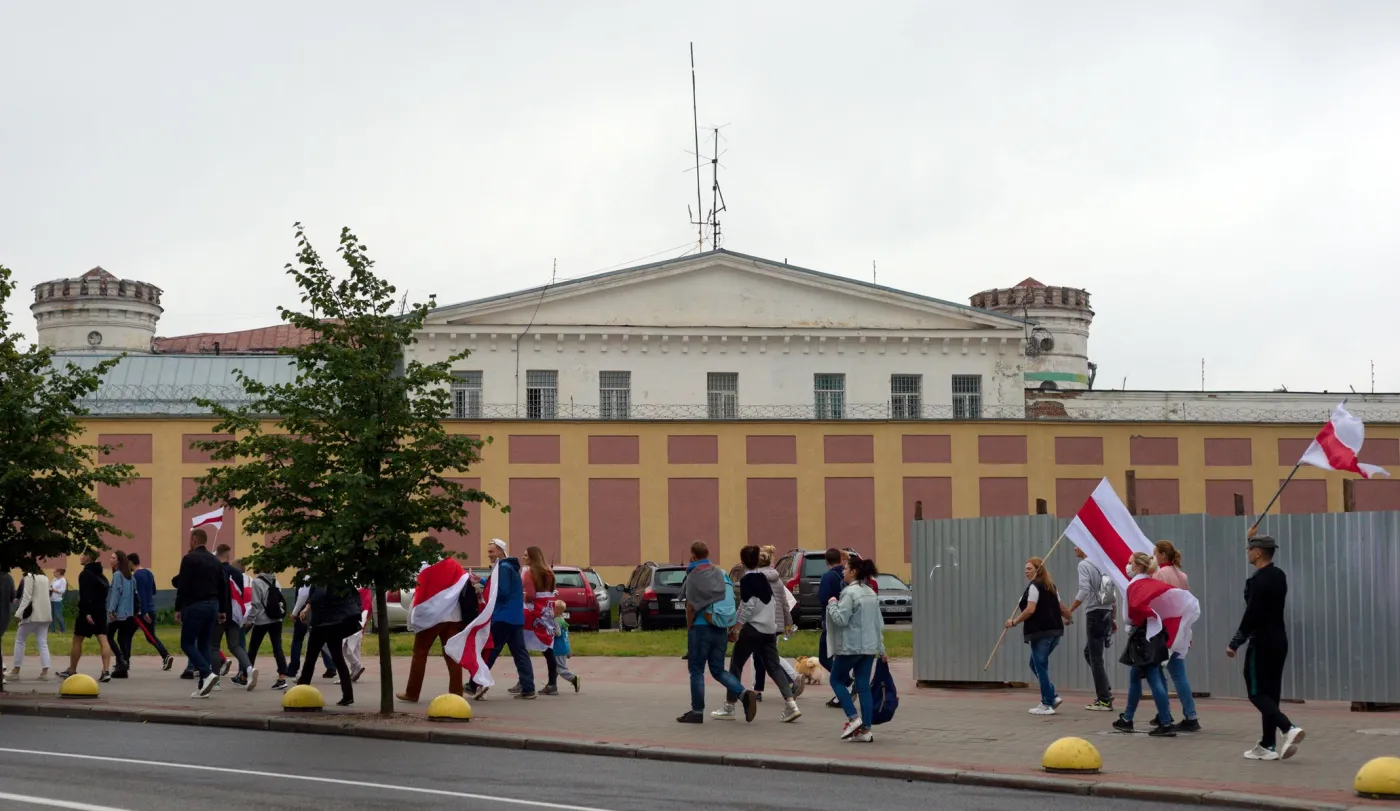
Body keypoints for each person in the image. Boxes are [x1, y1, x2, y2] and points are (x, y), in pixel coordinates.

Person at [1228, 531, 1304, 761]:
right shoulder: (1279, 575)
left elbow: (1252, 613)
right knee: (1270, 694)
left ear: (1258, 552)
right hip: (1279, 641)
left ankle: (1288, 728)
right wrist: (1250, 537)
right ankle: (1267, 745)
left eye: (1250, 549)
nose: (1248, 553)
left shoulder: (1257, 581)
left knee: (1255, 691)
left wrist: (1236, 642)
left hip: (1260, 642)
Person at [716, 545, 801, 723]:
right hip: (770, 629)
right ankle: (791, 705)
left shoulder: (747, 580)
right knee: (774, 667)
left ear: (742, 562)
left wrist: (736, 628)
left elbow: (748, 605)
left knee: (736, 665)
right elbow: (770, 603)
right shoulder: (764, 579)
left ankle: (729, 707)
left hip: (753, 629)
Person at [677, 541, 756, 724]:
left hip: (701, 628)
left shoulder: (694, 576)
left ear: (693, 555)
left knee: (696, 670)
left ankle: (697, 712)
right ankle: (743, 694)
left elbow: (690, 607)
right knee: (718, 670)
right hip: (720, 626)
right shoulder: (720, 573)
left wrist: (690, 628)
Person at [1111, 553, 1177, 737]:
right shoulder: (1156, 584)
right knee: (1136, 677)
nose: (1128, 565)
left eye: (1130, 563)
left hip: (1141, 636)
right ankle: (1127, 718)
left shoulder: (1133, 586)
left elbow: (1128, 616)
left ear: (1138, 567)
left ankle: (1165, 722)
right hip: (1155, 634)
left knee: (1153, 678)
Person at [826, 557, 886, 742]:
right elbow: (878, 624)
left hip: (850, 647)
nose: (843, 571)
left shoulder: (849, 593)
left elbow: (841, 619)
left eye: (845, 568)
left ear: (853, 572)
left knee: (835, 680)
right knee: (863, 687)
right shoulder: (870, 593)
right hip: (869, 648)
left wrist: (832, 604)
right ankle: (866, 730)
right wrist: (881, 649)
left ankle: (853, 718)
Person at [397, 551, 469, 704]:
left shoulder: (426, 567)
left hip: (432, 617)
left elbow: (422, 592)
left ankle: (412, 692)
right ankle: (457, 693)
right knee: (451, 654)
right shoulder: (453, 564)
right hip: (452, 615)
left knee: (420, 653)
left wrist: (417, 615)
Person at [472, 539, 534, 700]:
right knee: (520, 653)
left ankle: (475, 684)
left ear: (500, 550)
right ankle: (528, 688)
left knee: (490, 651)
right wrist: (483, 581)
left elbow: (503, 592)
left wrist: (485, 598)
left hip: (502, 617)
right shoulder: (510, 567)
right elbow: (504, 588)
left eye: (491, 552)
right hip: (515, 617)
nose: (489, 555)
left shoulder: (503, 567)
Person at [173, 528, 230, 698]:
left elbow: (183, 584)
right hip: (213, 605)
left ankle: (207, 673)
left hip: (195, 605)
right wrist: (222, 610)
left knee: (187, 643)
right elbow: (223, 585)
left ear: (194, 539)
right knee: (204, 643)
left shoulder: (189, 559)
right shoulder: (214, 560)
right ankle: (202, 687)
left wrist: (178, 608)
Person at [1005, 555, 1064, 715]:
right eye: (1025, 568)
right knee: (1035, 664)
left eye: (1029, 568)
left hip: (1041, 633)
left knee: (1040, 666)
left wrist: (1014, 622)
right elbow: (1059, 607)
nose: (1026, 571)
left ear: (1038, 570)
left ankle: (1046, 703)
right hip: (1055, 632)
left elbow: (1030, 609)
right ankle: (1053, 695)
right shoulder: (1051, 586)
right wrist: (1068, 617)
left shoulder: (1035, 587)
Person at [1151, 541, 1200, 732]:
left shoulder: (1160, 574)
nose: (1154, 557)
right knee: (1179, 674)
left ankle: (1169, 713)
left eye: (1155, 553)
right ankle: (1188, 714)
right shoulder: (1182, 575)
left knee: (1160, 672)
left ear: (1162, 555)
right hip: (1181, 629)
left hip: (1165, 629)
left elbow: (1156, 600)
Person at [1061, 545, 1115, 711]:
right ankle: (1105, 688)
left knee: (1095, 657)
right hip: (1106, 611)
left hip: (1095, 613)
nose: (1074, 549)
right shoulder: (1102, 563)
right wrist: (1112, 616)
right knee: (1089, 653)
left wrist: (1069, 610)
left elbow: (1084, 590)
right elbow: (1111, 590)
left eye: (1076, 545)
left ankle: (1104, 699)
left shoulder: (1084, 565)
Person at [749, 545, 802, 700]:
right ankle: (759, 689)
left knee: (766, 658)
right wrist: (787, 624)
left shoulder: (755, 579)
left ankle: (791, 682)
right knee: (762, 656)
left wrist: (740, 623)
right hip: (775, 625)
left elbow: (749, 604)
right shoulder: (777, 580)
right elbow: (786, 604)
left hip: (760, 624)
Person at [296, 585, 362, 706]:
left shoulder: (322, 581)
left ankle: (300, 691)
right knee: (338, 660)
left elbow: (317, 596)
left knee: (310, 660)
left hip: (322, 625)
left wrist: (306, 608)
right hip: (335, 624)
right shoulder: (338, 582)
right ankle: (348, 695)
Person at [57, 550, 113, 682]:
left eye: (82, 555)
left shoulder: (85, 574)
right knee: (103, 639)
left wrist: (87, 612)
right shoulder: (101, 574)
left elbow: (85, 595)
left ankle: (72, 670)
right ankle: (105, 671)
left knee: (77, 640)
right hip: (100, 611)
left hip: (87, 612)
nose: (80, 557)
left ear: (88, 557)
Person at [518, 546, 561, 696]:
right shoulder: (549, 572)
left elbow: (530, 594)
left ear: (532, 557)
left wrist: (521, 597)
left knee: (520, 646)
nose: (523, 557)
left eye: (525, 555)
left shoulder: (530, 572)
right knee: (548, 647)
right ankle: (552, 684)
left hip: (534, 610)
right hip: (547, 610)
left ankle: (523, 681)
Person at [213, 547, 255, 689]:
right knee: (235, 646)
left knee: (213, 646)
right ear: (228, 555)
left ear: (217, 555)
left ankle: (215, 681)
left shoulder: (217, 571)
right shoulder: (237, 573)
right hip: (236, 615)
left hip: (220, 614)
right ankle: (249, 669)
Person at [246, 567, 291, 690]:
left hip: (261, 620)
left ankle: (246, 674)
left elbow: (255, 604)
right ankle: (282, 677)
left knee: (253, 648)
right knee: (278, 648)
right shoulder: (276, 581)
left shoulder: (256, 582)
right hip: (276, 619)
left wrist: (249, 620)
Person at [286, 568, 335, 680]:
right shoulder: (325, 576)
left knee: (300, 640)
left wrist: (295, 612)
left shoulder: (305, 575)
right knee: (320, 641)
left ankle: (294, 668)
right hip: (320, 613)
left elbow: (302, 596)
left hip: (307, 613)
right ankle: (331, 665)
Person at [128, 554, 174, 670]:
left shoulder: (136, 576)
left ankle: (124, 661)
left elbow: (141, 595)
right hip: (151, 608)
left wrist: (143, 612)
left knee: (127, 636)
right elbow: (152, 590)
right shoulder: (149, 573)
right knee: (150, 636)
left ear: (130, 562)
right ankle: (165, 656)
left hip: (141, 612)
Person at [9, 564, 53, 681]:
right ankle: (45, 671)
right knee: (42, 642)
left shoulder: (29, 577)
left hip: (32, 614)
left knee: (20, 640)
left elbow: (26, 597)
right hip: (45, 614)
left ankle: (16, 670)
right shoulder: (45, 577)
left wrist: (18, 614)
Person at [817, 547, 846, 708]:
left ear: (826, 561)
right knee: (839, 655)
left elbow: (823, 598)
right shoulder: (846, 574)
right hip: (845, 619)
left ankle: (846, 684)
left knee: (824, 657)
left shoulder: (828, 577)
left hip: (830, 620)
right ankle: (842, 690)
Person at [104, 551, 138, 679]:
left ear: (119, 561)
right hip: (128, 613)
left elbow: (116, 593)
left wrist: (111, 610)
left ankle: (121, 660)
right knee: (122, 640)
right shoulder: (130, 576)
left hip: (118, 613)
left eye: (113, 558)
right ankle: (123, 668)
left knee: (108, 637)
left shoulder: (118, 575)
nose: (110, 560)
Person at [337, 586, 371, 685]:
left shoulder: (357, 588)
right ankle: (355, 671)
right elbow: (366, 608)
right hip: (358, 622)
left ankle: (357, 666)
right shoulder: (365, 589)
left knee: (344, 646)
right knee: (355, 648)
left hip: (354, 621)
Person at [551, 599, 581, 692]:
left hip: (558, 648)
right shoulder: (562, 620)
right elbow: (566, 636)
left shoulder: (555, 620)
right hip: (564, 647)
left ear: (555, 611)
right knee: (555, 667)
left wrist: (549, 630)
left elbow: (558, 633)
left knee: (561, 669)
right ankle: (551, 683)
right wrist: (568, 651)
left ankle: (573, 679)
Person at [49, 569, 67, 633]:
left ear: (59, 573)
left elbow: (62, 591)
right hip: (51, 599)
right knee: (51, 615)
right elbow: (50, 586)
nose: (54, 573)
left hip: (57, 600)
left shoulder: (63, 580)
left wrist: (53, 590)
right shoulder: (54, 579)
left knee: (58, 615)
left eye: (55, 572)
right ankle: (52, 630)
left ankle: (63, 629)